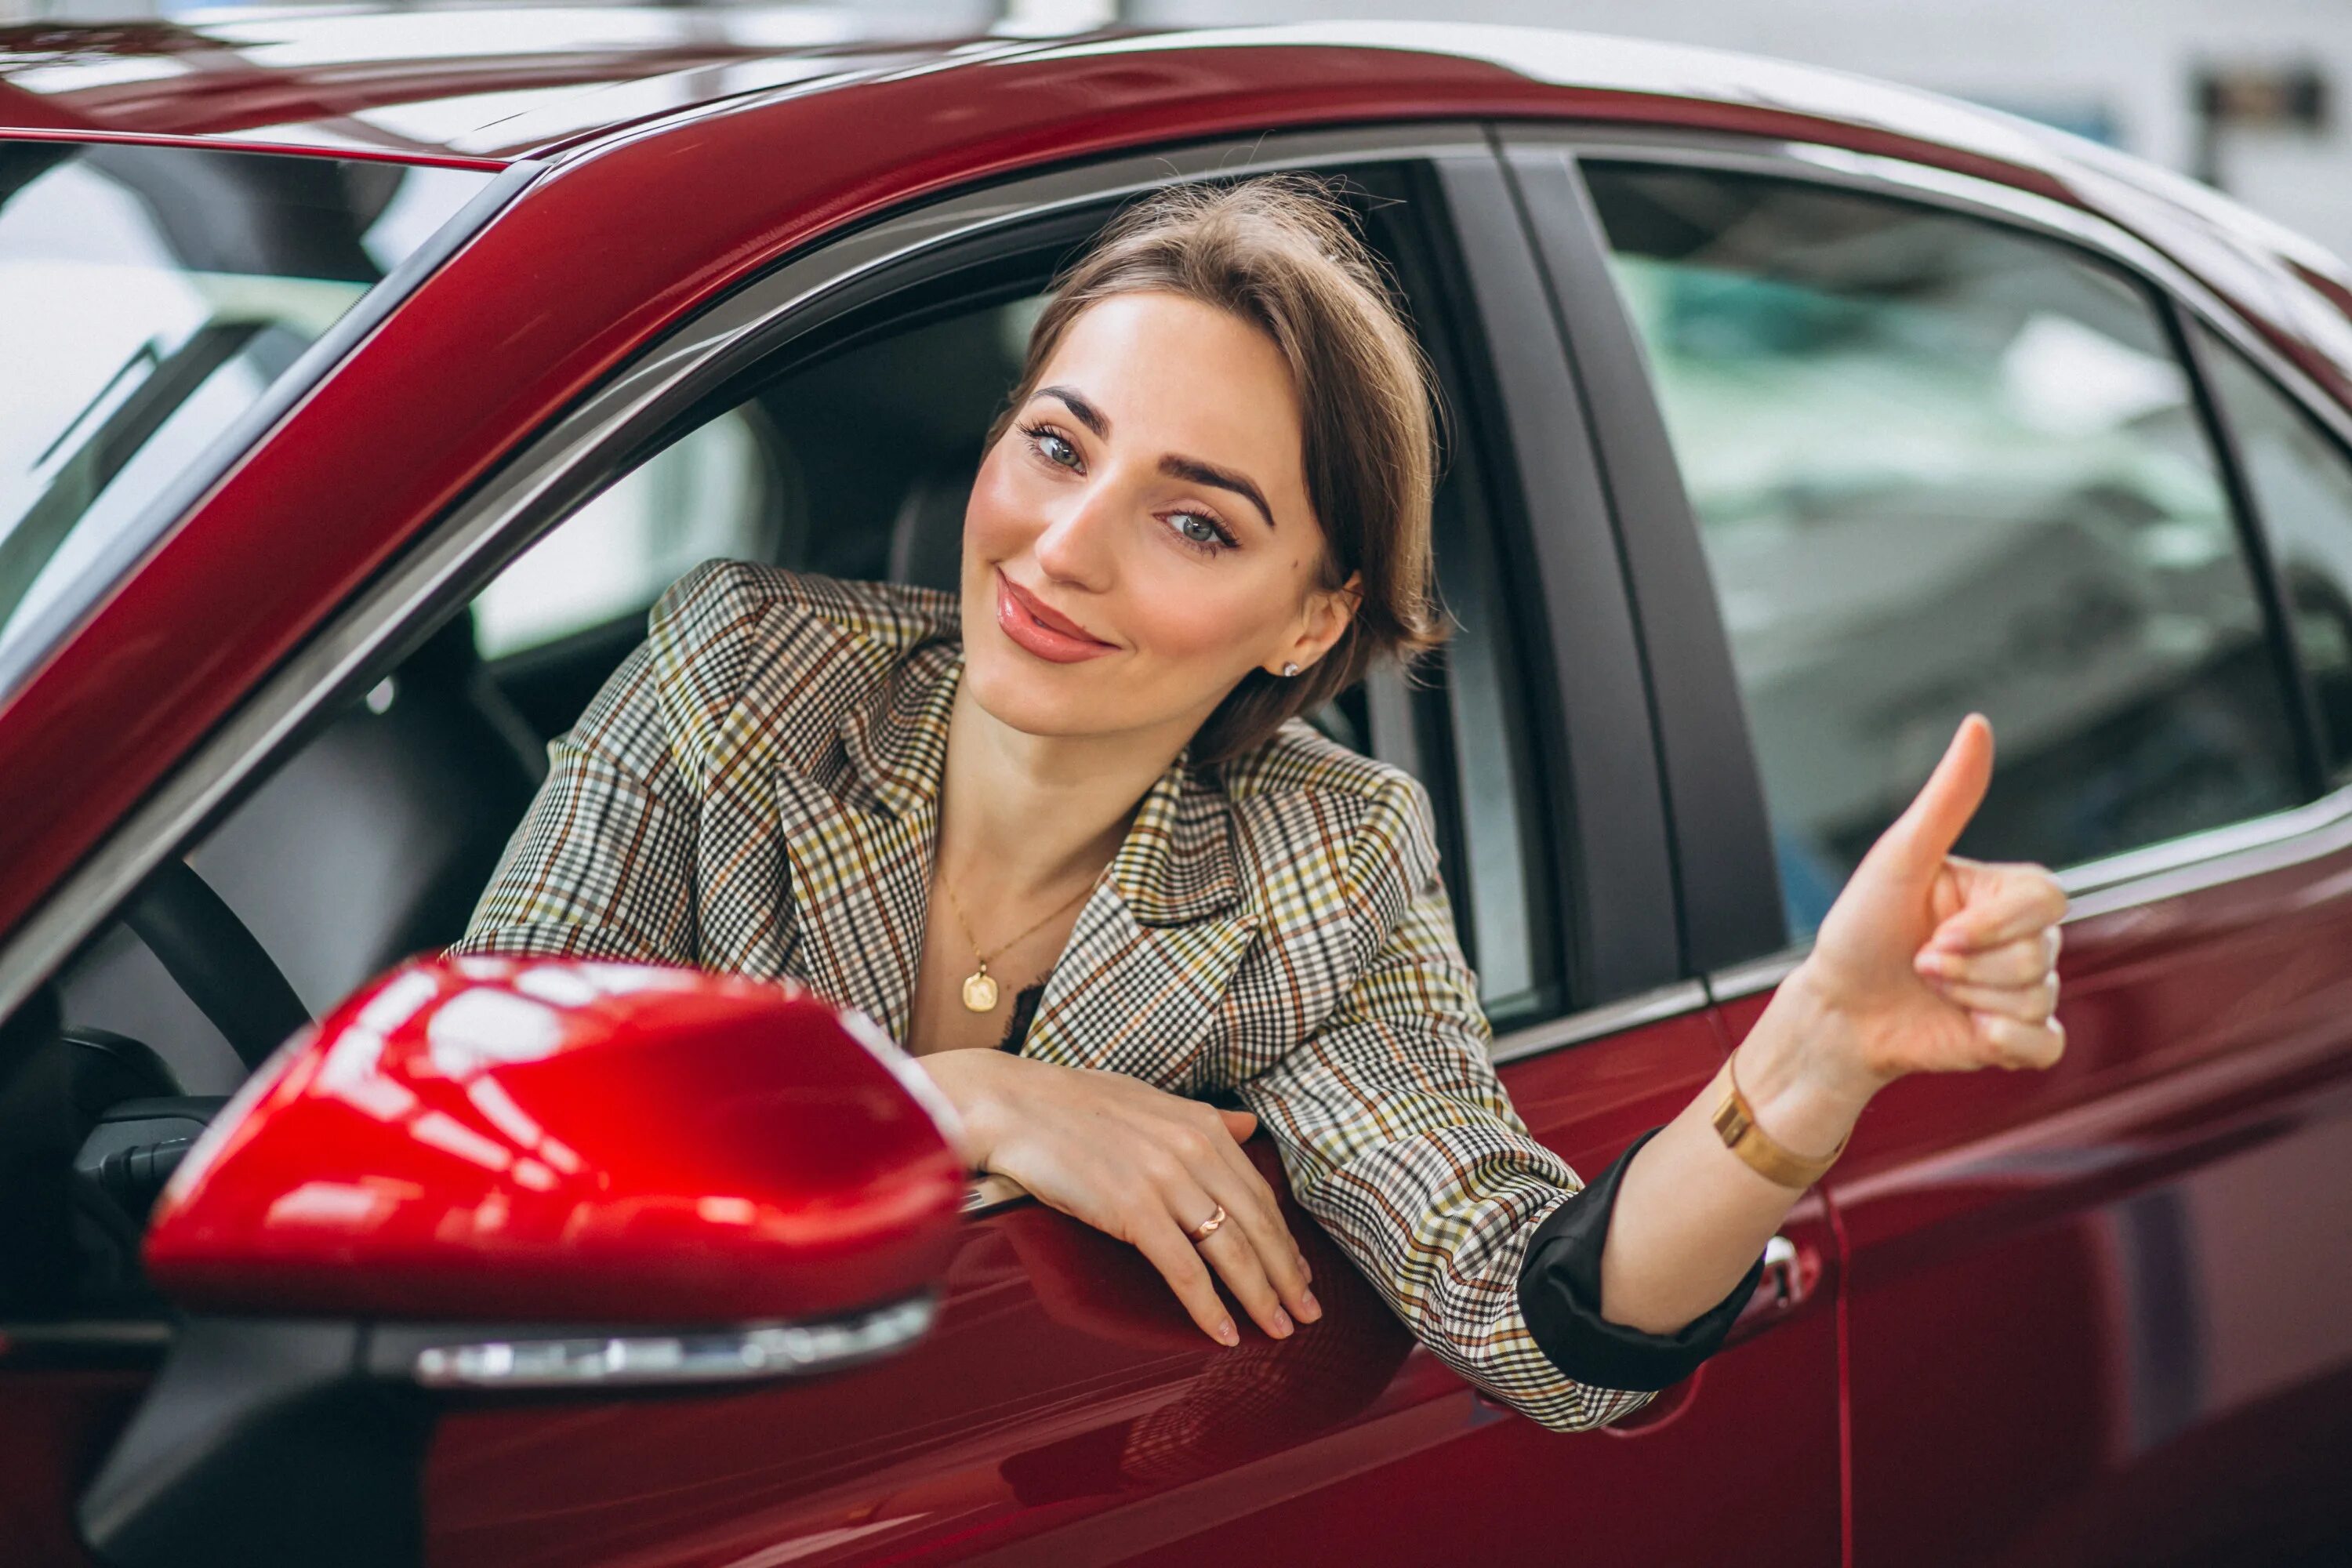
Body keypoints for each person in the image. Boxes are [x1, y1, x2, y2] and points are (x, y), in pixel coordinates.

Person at [456, 176, 2066, 1432]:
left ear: (1311, 619)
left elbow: (1542, 1325)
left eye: (1199, 524)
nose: (1066, 544)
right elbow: (483, 1107)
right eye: (1056, 445)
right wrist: (954, 1098)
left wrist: (1813, 1056)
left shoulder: (1323, 863)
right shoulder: (746, 670)